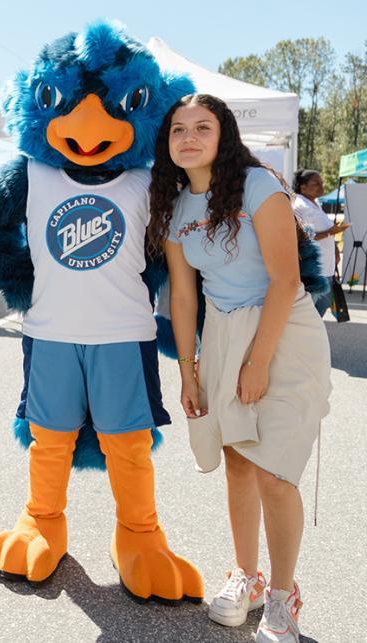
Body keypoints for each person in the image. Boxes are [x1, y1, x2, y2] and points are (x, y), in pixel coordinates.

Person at [149, 94, 332, 643]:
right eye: (178, 129)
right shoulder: (175, 208)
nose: (189, 137)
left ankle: (282, 595)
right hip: (223, 334)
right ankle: (247, 578)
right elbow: (184, 297)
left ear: (223, 134)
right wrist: (188, 371)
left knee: (274, 472)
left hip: (283, 329)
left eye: (202, 127)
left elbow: (286, 280)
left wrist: (257, 362)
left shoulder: (258, 186)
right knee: (238, 463)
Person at [291, 169, 350, 317]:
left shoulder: (314, 203)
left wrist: (335, 248)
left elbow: (327, 231)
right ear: (303, 187)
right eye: (316, 183)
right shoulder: (300, 206)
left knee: (318, 313)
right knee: (310, 316)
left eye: (321, 183)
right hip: (315, 273)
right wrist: (331, 232)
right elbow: (301, 237)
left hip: (326, 269)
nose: (321, 186)